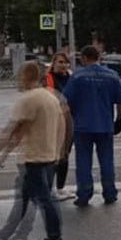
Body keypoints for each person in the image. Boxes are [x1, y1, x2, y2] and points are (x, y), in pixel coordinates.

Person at [0, 61, 67, 240]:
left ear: (25, 76)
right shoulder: (50, 97)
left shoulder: (28, 99)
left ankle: (52, 239)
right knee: (36, 199)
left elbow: (12, 129)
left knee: (37, 200)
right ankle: (8, 236)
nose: (18, 80)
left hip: (34, 159)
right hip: (48, 156)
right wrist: (59, 150)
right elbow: (59, 124)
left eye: (20, 76)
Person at [61, 45, 121, 207]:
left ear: (83, 58)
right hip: (105, 125)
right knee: (107, 160)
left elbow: (65, 102)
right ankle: (110, 193)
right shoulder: (112, 76)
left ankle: (84, 194)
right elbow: (120, 101)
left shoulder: (77, 77)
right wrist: (119, 120)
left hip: (82, 126)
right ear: (99, 57)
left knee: (83, 161)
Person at [45, 51, 75, 201]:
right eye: (59, 62)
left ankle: (60, 188)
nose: (63, 65)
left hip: (69, 120)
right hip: (54, 120)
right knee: (54, 155)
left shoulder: (70, 77)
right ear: (54, 63)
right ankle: (49, 189)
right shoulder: (48, 78)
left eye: (65, 62)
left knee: (65, 155)